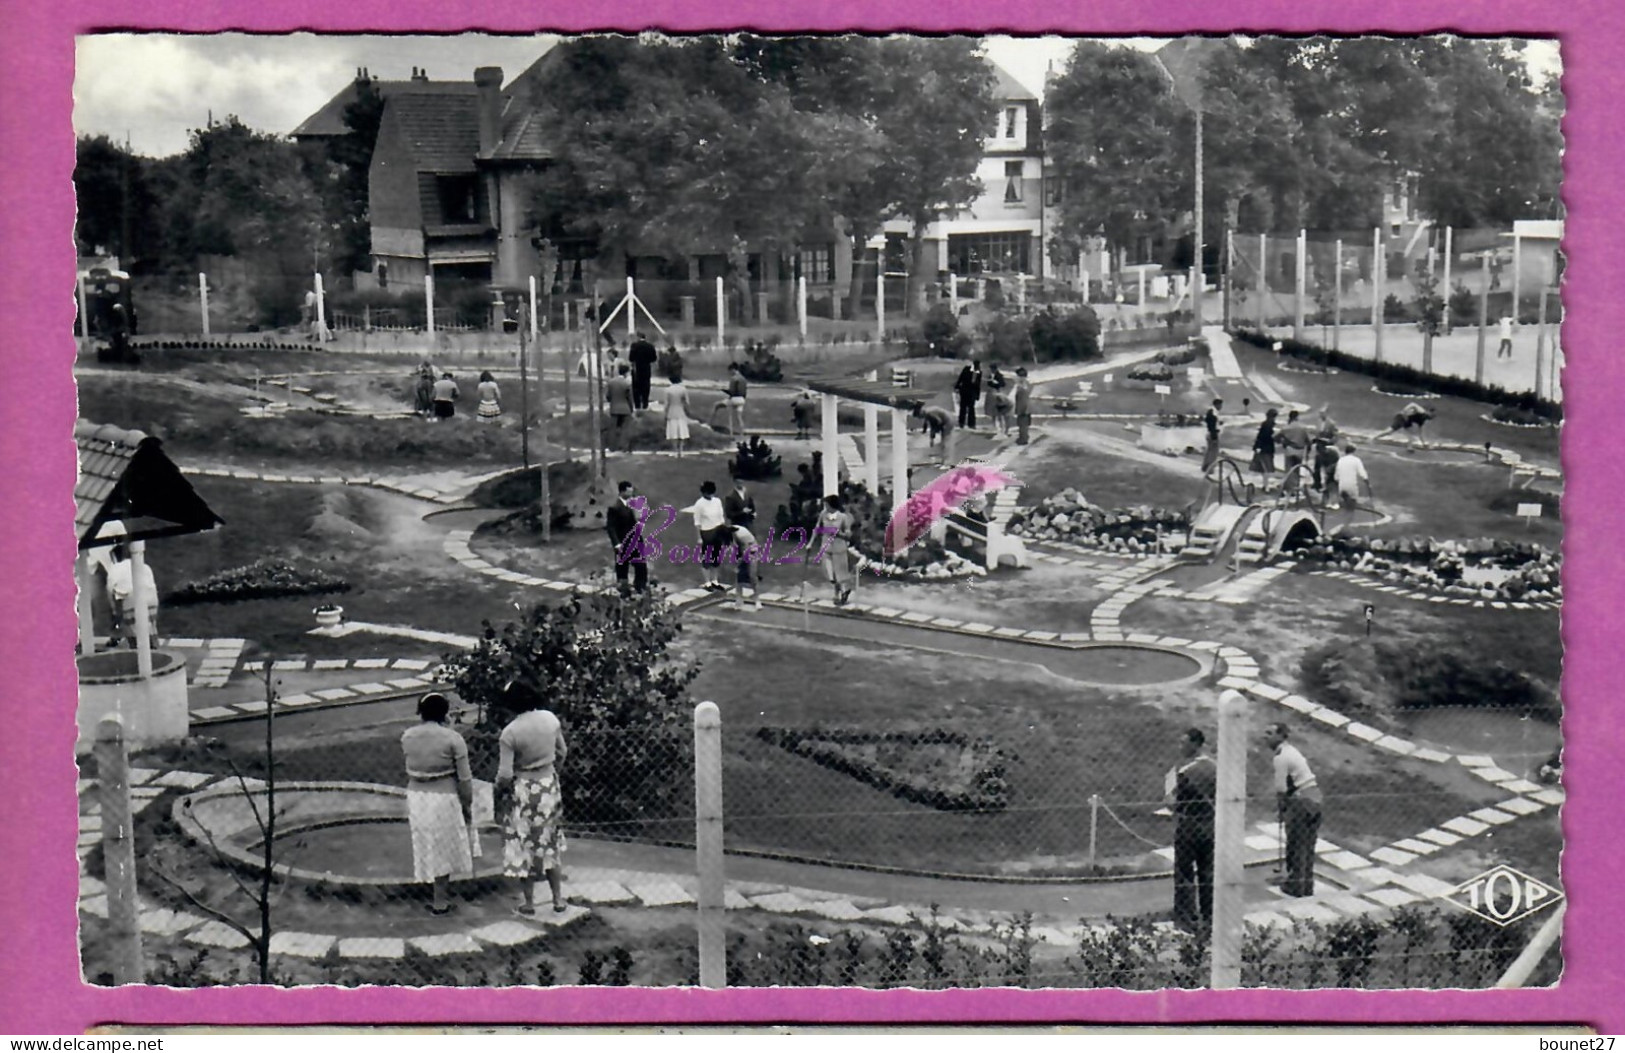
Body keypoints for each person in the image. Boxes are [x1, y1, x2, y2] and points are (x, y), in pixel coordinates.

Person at [494, 681, 568, 916]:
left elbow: (505, 774)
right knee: (549, 841)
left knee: (523, 843)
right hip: (548, 785)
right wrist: (554, 771)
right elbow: (562, 752)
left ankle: (529, 903)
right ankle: (557, 899)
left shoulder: (510, 732)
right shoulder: (549, 718)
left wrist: (499, 790)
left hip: (524, 788)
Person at [400, 693, 475, 915]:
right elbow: (465, 778)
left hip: (417, 796)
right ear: (445, 713)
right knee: (443, 847)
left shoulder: (407, 736)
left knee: (425, 842)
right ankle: (440, 901)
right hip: (444, 797)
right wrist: (467, 804)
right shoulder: (453, 739)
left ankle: (432, 891)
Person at [1166, 727, 1216, 935]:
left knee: (1185, 873)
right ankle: (1209, 915)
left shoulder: (1186, 773)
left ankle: (1186, 917)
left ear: (1195, 744)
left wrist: (1168, 791)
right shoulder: (1215, 767)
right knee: (1208, 873)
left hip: (1189, 826)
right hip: (1211, 824)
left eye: (1183, 742)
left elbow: (1175, 804)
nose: (1180, 747)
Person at [1263, 722, 1322, 897]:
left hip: (1301, 800)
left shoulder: (1281, 757)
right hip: (1315, 797)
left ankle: (1295, 886)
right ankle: (1306, 885)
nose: (1265, 737)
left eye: (1269, 733)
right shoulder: (1293, 751)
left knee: (1296, 844)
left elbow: (1281, 789)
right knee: (1308, 844)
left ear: (1281, 736)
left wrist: (1282, 810)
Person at [105, 543, 158, 649]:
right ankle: (156, 654)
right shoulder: (144, 565)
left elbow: (110, 592)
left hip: (132, 599)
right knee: (150, 629)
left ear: (113, 556)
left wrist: (115, 612)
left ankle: (138, 658)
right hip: (151, 599)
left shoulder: (114, 569)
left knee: (133, 635)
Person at [682, 480, 730, 592]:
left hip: (718, 531)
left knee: (717, 558)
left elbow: (721, 517)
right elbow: (697, 522)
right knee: (707, 558)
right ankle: (707, 582)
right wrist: (699, 537)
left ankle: (715, 580)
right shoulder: (699, 504)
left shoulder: (717, 501)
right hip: (707, 533)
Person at [606, 480, 649, 594]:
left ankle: (641, 588)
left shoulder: (631, 505)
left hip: (635, 542)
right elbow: (610, 527)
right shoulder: (614, 508)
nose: (631, 494)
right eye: (629, 492)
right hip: (623, 543)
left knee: (641, 566)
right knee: (622, 568)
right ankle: (624, 592)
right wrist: (616, 543)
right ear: (622, 492)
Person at [819, 493, 856, 606]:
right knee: (830, 575)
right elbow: (817, 527)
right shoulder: (823, 515)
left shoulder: (843, 517)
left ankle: (841, 592)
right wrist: (810, 543)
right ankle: (839, 592)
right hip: (826, 547)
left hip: (839, 548)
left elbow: (849, 534)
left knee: (839, 574)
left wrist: (838, 533)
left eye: (827, 505)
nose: (825, 507)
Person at [727, 519, 764, 611]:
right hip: (742, 550)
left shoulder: (741, 534)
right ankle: (739, 600)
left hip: (752, 551)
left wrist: (738, 564)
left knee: (752, 576)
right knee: (738, 576)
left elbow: (746, 552)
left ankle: (757, 600)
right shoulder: (732, 533)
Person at [710, 362, 749, 437]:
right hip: (742, 400)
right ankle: (742, 434)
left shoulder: (734, 379)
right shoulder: (744, 379)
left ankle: (711, 425)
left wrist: (721, 389)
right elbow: (744, 392)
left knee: (717, 406)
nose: (730, 373)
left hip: (734, 399)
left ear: (733, 370)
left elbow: (731, 392)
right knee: (739, 417)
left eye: (730, 371)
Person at [1278, 409, 1311, 493]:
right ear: (1297, 417)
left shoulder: (1286, 427)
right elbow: (1308, 441)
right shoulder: (1303, 427)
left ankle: (1289, 489)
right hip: (1300, 451)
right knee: (1297, 470)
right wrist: (1308, 453)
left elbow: (1275, 437)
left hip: (1289, 450)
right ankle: (1295, 489)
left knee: (1288, 470)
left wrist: (1283, 442)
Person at [606, 364, 635, 452]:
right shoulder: (627, 384)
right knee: (625, 429)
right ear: (626, 373)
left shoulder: (611, 382)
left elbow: (608, 396)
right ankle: (624, 447)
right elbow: (630, 398)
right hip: (625, 409)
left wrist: (613, 401)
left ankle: (612, 447)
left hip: (614, 408)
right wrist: (631, 409)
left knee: (613, 429)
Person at [662, 371, 693, 456]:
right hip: (681, 412)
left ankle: (675, 451)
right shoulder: (683, 389)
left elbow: (666, 404)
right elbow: (687, 402)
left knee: (673, 433)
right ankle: (681, 451)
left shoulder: (667, 390)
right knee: (682, 433)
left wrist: (665, 414)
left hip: (671, 413)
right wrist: (688, 412)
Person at [1334, 442, 1371, 511]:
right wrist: (1367, 482)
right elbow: (1362, 473)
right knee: (1352, 505)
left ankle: (1346, 504)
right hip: (1352, 485)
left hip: (1342, 485)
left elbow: (1336, 477)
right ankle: (1348, 517)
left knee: (1346, 502)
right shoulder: (1356, 460)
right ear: (1354, 451)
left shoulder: (1340, 460)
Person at [628, 333, 659, 412]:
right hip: (646, 369)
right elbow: (654, 358)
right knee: (646, 386)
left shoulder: (634, 346)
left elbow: (631, 358)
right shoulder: (650, 346)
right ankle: (645, 403)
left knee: (636, 387)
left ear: (638, 337)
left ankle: (637, 405)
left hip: (637, 369)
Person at [1311, 409, 1340, 491]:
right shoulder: (1318, 422)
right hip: (1319, 446)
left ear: (1326, 414)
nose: (1321, 415)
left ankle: (1328, 483)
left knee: (1327, 466)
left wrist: (1330, 442)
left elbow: (1336, 436)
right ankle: (1317, 483)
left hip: (1327, 447)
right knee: (1317, 465)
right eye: (1320, 413)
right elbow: (1316, 433)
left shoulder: (1331, 423)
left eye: (1322, 413)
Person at [1250, 408, 1279, 490]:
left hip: (1263, 448)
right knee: (1266, 468)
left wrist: (1256, 446)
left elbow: (1260, 437)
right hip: (1267, 449)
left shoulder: (1265, 424)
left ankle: (1265, 485)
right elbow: (1266, 437)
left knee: (1263, 468)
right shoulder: (1269, 425)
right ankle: (1266, 487)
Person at [954, 360, 983, 429]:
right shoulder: (967, 369)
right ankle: (961, 423)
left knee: (971, 408)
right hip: (964, 390)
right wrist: (957, 386)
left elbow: (978, 384)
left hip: (972, 392)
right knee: (963, 407)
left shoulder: (979, 372)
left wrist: (977, 395)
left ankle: (971, 424)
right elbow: (961, 378)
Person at [1201, 398, 1224, 475]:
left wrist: (1219, 423)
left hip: (1210, 433)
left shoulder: (1211, 411)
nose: (1221, 406)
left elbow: (1210, 422)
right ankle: (1210, 469)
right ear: (1217, 405)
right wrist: (1214, 437)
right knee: (1213, 452)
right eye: (1220, 405)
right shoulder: (1213, 412)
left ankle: (1205, 467)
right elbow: (1212, 426)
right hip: (1213, 434)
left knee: (1209, 451)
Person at [1012, 367, 1033, 445]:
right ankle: (1024, 437)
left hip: (1023, 408)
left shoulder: (1022, 386)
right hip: (1025, 407)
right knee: (1023, 424)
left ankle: (1023, 439)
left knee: (1022, 424)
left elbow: (1023, 398)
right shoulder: (1026, 384)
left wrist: (1022, 409)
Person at [983, 365, 1006, 429]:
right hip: (991, 393)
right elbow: (989, 383)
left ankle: (1001, 426)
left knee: (999, 410)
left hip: (997, 393)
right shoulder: (990, 375)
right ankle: (994, 425)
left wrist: (996, 383)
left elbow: (1003, 384)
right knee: (992, 410)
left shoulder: (999, 375)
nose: (991, 370)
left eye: (992, 369)